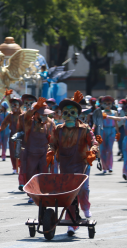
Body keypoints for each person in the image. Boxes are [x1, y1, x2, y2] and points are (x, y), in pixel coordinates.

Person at [47, 91, 99, 235]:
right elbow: (53, 144)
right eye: (65, 113)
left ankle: (85, 206)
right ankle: (71, 223)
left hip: (81, 164)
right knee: (68, 194)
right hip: (65, 165)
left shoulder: (85, 129)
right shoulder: (58, 129)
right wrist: (50, 152)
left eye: (72, 112)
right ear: (62, 114)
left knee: (83, 189)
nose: (68, 115)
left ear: (78, 114)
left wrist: (92, 152)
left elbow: (94, 143)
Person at [21, 97, 56, 204]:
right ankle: (32, 194)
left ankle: (42, 193)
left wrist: (52, 151)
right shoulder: (29, 122)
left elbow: (53, 138)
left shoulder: (50, 123)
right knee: (31, 174)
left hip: (44, 152)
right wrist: (35, 107)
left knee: (44, 173)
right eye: (42, 114)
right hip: (31, 153)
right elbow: (24, 116)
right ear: (35, 114)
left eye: (46, 114)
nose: (45, 116)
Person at [16, 94, 37, 191]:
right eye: (26, 103)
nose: (29, 105)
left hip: (37, 146)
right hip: (25, 145)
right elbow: (19, 129)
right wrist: (17, 136)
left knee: (34, 167)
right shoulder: (21, 117)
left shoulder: (39, 116)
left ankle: (34, 186)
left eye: (31, 103)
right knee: (22, 165)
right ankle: (22, 183)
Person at [0, 98, 22, 174]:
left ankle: (21, 167)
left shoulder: (23, 115)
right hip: (12, 136)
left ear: (19, 106)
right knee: (13, 152)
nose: (13, 107)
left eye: (15, 105)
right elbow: (4, 123)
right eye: (12, 105)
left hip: (22, 136)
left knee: (22, 152)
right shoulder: (10, 115)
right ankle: (15, 168)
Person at [99, 96, 118, 174]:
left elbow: (116, 122)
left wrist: (118, 132)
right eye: (105, 103)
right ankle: (104, 167)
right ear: (102, 104)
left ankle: (110, 166)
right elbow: (97, 123)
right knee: (102, 150)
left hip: (111, 130)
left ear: (112, 104)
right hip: (102, 131)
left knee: (109, 149)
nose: (107, 105)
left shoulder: (115, 112)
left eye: (109, 103)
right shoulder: (100, 112)